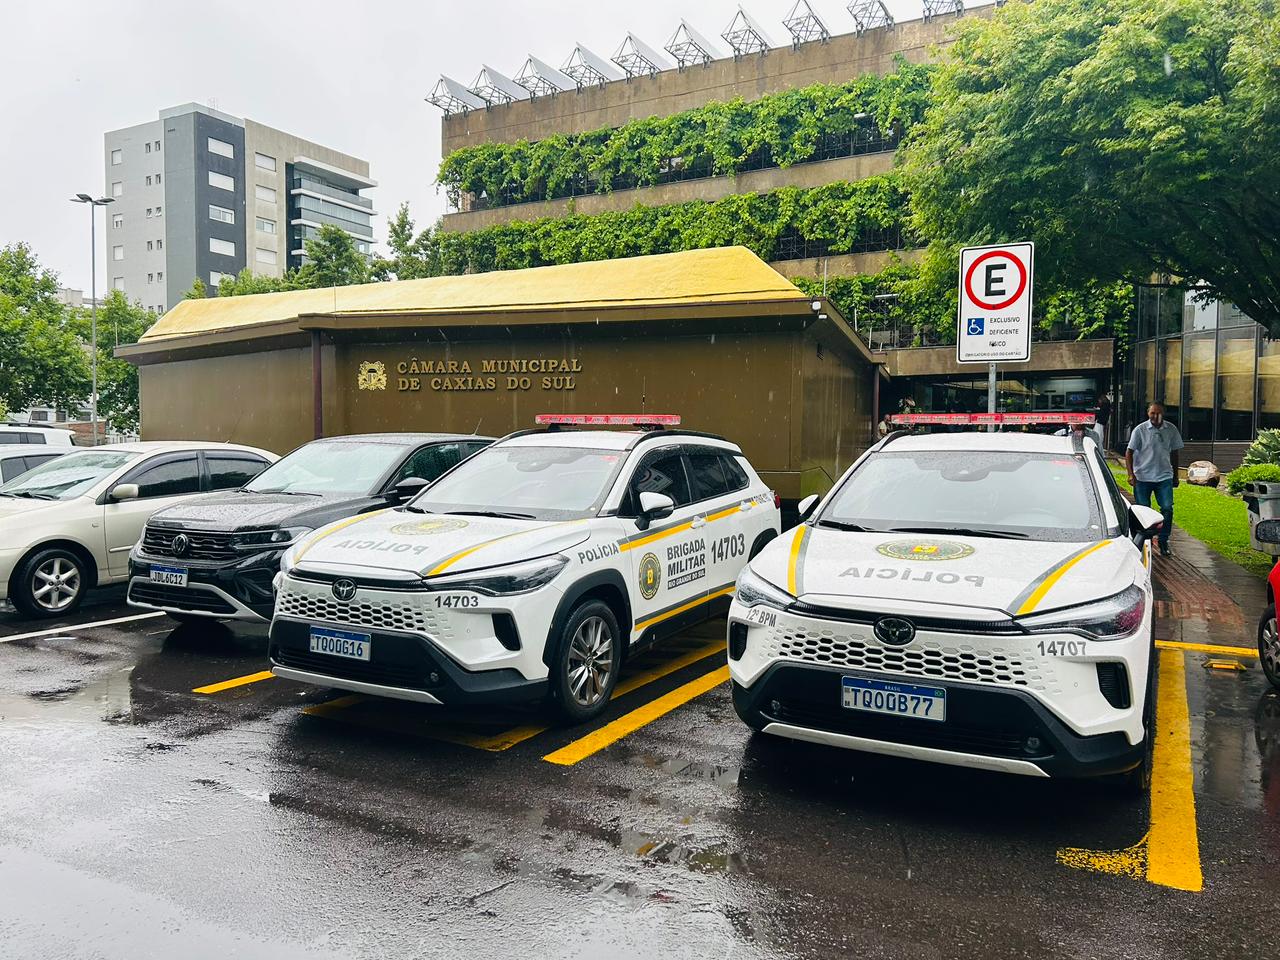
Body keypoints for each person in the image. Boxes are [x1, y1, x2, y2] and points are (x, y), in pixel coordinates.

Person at [1125, 402, 1183, 557]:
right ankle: (1146, 540)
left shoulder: (1171, 429)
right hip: (1143, 476)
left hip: (1164, 476)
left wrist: (1175, 475)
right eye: (1152, 413)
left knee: (1167, 508)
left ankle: (1163, 540)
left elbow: (1175, 453)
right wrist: (1131, 474)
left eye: (1158, 413)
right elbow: (1129, 452)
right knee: (1144, 509)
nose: (1155, 416)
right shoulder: (1140, 430)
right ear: (1148, 413)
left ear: (1163, 414)